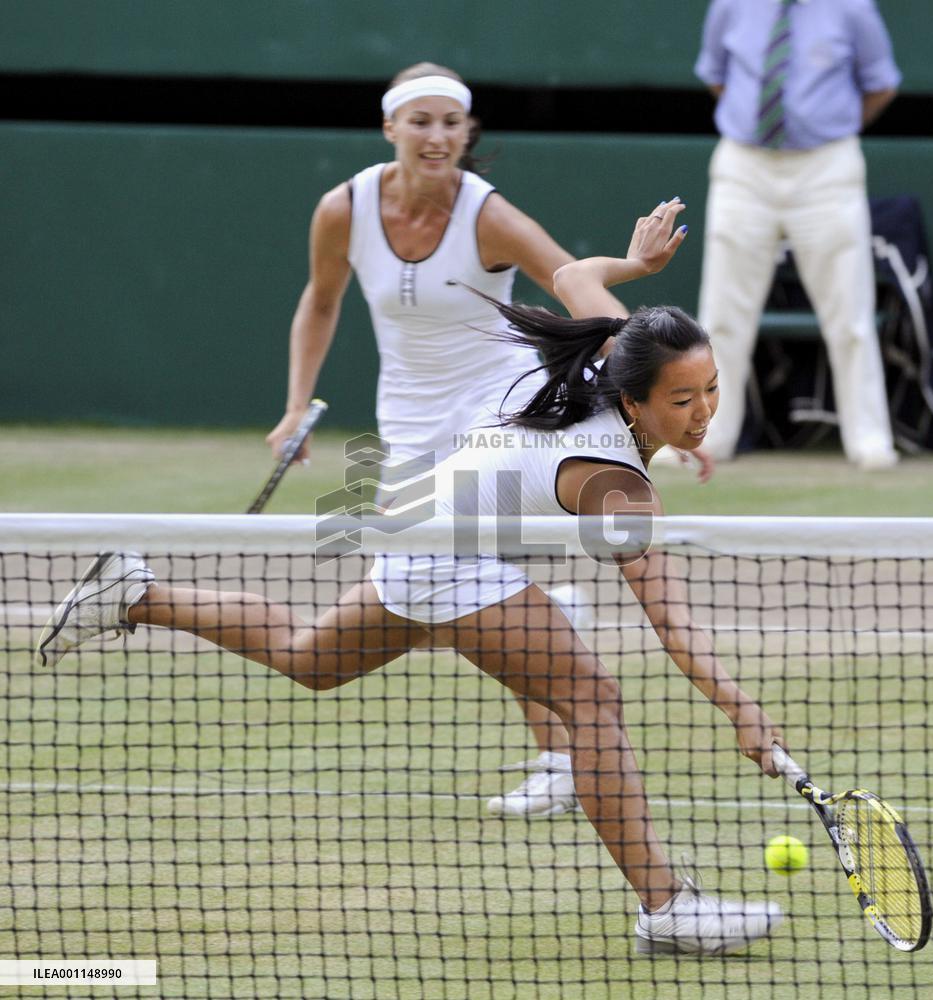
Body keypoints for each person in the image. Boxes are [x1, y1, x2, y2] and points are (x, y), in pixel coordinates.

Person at [36, 202, 787, 956]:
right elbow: (672, 626)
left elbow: (571, 273)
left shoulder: (620, 348)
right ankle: (666, 909)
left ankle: (136, 594)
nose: (701, 413)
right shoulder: (618, 491)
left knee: (309, 659)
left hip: (426, 519)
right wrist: (739, 708)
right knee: (590, 695)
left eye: (710, 391)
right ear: (633, 398)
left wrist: (633, 267)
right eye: (681, 400)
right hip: (444, 552)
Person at [265, 61, 709, 819]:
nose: (436, 137)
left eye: (450, 123)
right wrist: (294, 402)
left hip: (495, 407)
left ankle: (559, 755)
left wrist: (655, 398)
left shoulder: (487, 216)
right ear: (390, 128)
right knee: (414, 591)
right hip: (405, 416)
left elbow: (570, 280)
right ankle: (557, 619)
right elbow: (320, 300)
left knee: (466, 586)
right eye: (420, 121)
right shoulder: (342, 210)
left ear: (466, 133)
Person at [694, 0, 901, 468]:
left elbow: (880, 84)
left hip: (826, 164)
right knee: (723, 314)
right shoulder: (730, 5)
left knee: (849, 313)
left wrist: (828, 123)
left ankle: (870, 441)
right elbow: (716, 75)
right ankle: (707, 438)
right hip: (745, 163)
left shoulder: (853, 9)